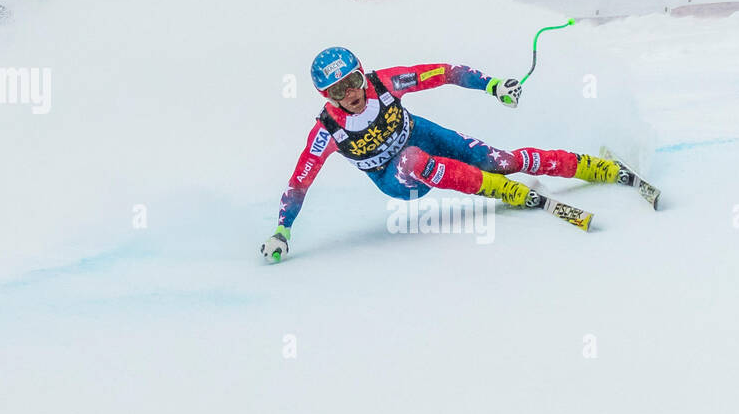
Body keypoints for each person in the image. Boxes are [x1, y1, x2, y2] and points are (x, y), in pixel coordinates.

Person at [261, 46, 634, 262]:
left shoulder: (386, 82)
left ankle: (595, 167)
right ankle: (507, 191)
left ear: (363, 74)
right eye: (337, 91)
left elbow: (444, 72)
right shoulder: (327, 130)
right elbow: (299, 184)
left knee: (502, 161)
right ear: (326, 98)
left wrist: (492, 85)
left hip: (425, 135)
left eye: (353, 82)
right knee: (412, 161)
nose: (351, 94)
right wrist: (282, 230)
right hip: (397, 179)